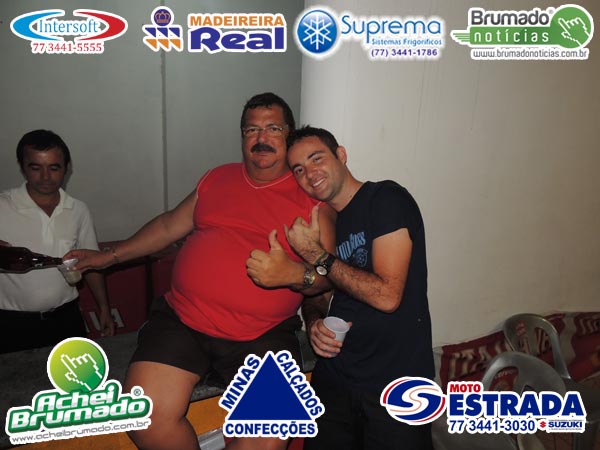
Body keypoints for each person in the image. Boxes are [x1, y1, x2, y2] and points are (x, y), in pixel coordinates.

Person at [66, 93, 335, 450]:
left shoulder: (311, 200)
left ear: (289, 134)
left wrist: (293, 275)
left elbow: (328, 276)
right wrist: (109, 256)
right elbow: (168, 226)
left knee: (267, 438)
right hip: (183, 321)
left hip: (264, 334)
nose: (261, 138)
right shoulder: (217, 178)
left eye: (273, 128)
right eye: (251, 129)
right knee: (145, 416)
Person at [284, 126, 434, 450]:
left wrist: (316, 255)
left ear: (341, 155)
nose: (309, 173)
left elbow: (388, 296)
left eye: (316, 158)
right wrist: (314, 322)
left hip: (396, 385)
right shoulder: (327, 222)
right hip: (337, 379)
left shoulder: (386, 199)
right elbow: (319, 294)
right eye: (299, 169)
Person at [0, 129, 114, 354]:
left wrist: (104, 308)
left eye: (54, 168)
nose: (45, 177)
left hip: (66, 318)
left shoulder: (77, 210)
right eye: (36, 168)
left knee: (73, 376)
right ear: (22, 166)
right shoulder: (3, 205)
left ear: (66, 168)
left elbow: (91, 264)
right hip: (10, 323)